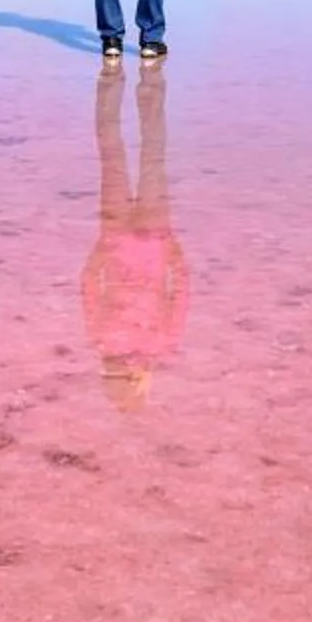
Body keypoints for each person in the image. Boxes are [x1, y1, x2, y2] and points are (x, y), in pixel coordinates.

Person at [83, 59, 185, 412]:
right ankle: (135, 87)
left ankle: (146, 86)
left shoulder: (161, 344)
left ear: (137, 382)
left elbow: (182, 290)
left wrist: (174, 254)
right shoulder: (103, 341)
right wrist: (101, 250)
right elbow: (88, 284)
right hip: (124, 236)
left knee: (151, 155)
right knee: (115, 155)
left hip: (151, 236)